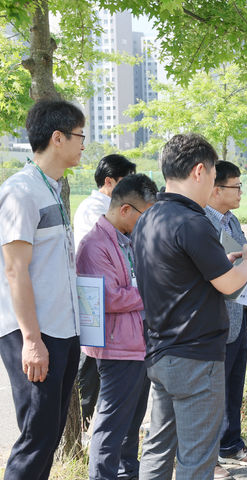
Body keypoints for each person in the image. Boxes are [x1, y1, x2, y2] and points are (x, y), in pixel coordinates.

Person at [133, 134, 247, 480]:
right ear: (198, 172)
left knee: (158, 449)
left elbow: (181, 271)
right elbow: (229, 283)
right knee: (196, 459)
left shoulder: (150, 218)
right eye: (212, 174)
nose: (213, 183)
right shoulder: (194, 222)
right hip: (196, 357)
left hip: (160, 352)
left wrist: (223, 261)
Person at [0, 99, 85, 480]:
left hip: (62, 329)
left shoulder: (52, 188)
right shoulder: (21, 191)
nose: (85, 144)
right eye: (81, 136)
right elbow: (15, 271)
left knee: (48, 434)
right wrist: (32, 341)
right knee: (38, 434)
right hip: (33, 332)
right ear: (58, 137)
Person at [77, 174, 158, 480]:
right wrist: (152, 293)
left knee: (131, 425)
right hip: (116, 348)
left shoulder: (127, 240)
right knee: (110, 427)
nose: (146, 223)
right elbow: (109, 296)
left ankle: (127, 475)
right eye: (144, 215)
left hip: (138, 343)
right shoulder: (94, 246)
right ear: (125, 209)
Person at [205, 161, 247, 468]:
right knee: (213, 392)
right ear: (216, 190)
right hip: (215, 319)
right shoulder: (202, 221)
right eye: (236, 186)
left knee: (233, 387)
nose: (241, 191)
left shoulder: (232, 221)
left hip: (238, 313)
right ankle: (209, 456)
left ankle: (231, 444)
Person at [74, 153, 136, 430]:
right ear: (109, 181)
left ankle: (94, 426)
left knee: (103, 375)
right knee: (91, 369)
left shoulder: (113, 207)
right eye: (127, 181)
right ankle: (85, 426)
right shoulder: (93, 209)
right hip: (98, 300)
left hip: (116, 297)